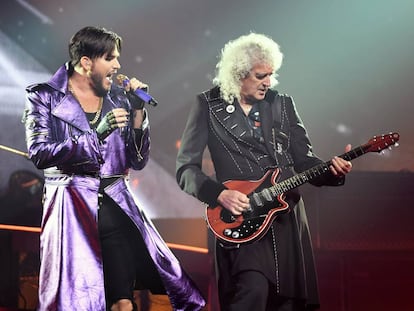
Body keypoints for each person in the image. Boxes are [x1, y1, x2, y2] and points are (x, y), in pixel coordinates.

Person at [23, 26, 205, 311]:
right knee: (77, 302)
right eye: (110, 58)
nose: (118, 66)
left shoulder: (118, 98)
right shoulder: (43, 97)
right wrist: (96, 132)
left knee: (123, 300)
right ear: (86, 62)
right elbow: (40, 154)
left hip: (116, 210)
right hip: (72, 213)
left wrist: (138, 113)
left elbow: (137, 161)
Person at [176, 32, 353, 311]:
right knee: (250, 294)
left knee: (286, 304)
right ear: (238, 74)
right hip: (240, 220)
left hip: (285, 220)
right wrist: (219, 193)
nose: (268, 83)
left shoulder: (282, 104)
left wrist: (332, 171)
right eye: (260, 76)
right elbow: (186, 169)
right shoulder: (207, 106)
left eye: (271, 75)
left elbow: (304, 160)